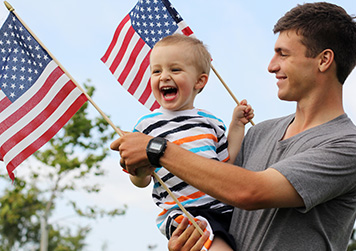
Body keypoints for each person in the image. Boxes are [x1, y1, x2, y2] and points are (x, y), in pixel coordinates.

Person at [111, 2, 356, 251]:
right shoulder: (260, 132)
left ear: (324, 60)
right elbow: (217, 181)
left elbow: (250, 192)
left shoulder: (347, 146)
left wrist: (157, 149)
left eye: (283, 54)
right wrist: (189, 242)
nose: (271, 66)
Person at [125, 34, 253, 251]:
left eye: (175, 70)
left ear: (200, 81)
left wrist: (237, 125)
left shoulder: (210, 121)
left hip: (223, 207)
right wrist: (138, 172)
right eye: (156, 71)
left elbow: (227, 164)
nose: (164, 77)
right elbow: (141, 181)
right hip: (185, 214)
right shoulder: (146, 126)